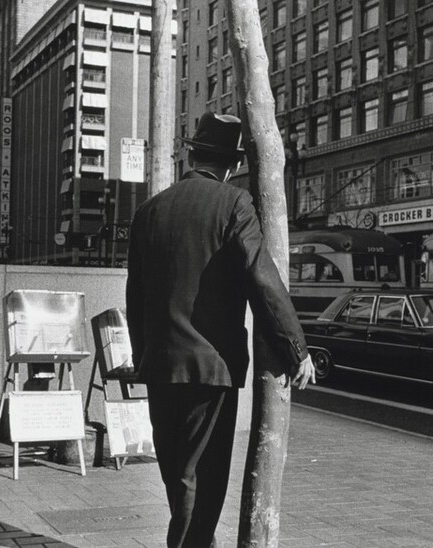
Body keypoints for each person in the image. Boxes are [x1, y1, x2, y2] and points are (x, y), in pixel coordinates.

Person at [126, 112, 315, 547]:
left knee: (177, 474)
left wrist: (143, 355)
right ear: (233, 164)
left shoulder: (148, 211)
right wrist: (297, 349)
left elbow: (136, 297)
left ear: (192, 155)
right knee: (202, 479)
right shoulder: (234, 204)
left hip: (160, 364)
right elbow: (262, 278)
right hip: (210, 368)